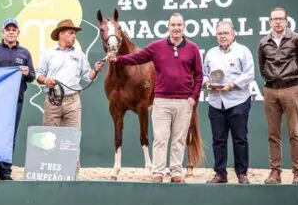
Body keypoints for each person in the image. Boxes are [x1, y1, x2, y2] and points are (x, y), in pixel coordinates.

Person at [108, 13, 202, 183]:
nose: (176, 28)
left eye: (179, 25)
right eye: (173, 25)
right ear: (168, 27)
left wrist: (194, 96)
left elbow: (199, 75)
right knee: (160, 138)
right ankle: (158, 172)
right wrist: (118, 59)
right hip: (161, 101)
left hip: (184, 102)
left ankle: (175, 172)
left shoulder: (193, 48)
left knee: (178, 140)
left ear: (184, 27)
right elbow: (137, 57)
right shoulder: (157, 46)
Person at [258, 7, 298, 185]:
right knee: (273, 134)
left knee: (294, 132)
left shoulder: (297, 39)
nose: (278, 22)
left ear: (286, 21)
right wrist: (271, 80)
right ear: (270, 21)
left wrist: (296, 82)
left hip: (292, 88)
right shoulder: (264, 42)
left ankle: (297, 172)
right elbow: (262, 65)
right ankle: (275, 172)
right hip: (270, 90)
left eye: (281, 19)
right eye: (274, 19)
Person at [0, 18, 35, 181]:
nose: (11, 32)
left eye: (14, 29)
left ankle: (5, 172)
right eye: (8, 29)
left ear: (18, 32)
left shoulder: (24, 53)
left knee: (10, 136)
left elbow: (32, 76)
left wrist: (27, 73)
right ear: (2, 32)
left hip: (15, 101)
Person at [203, 20, 255, 184]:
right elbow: (204, 73)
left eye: (225, 33)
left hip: (237, 101)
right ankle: (220, 173)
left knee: (240, 139)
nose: (222, 36)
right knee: (218, 140)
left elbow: (250, 74)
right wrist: (206, 83)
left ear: (233, 34)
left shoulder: (243, 51)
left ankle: (242, 173)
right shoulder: (211, 53)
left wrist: (231, 85)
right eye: (219, 33)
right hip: (216, 102)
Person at [36, 19, 104, 128]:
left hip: (73, 101)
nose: (74, 36)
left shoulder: (79, 54)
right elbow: (38, 75)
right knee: (49, 139)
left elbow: (88, 77)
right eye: (71, 33)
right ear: (61, 34)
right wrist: (45, 80)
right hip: (53, 99)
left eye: (75, 34)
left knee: (71, 140)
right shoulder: (47, 54)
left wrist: (95, 70)